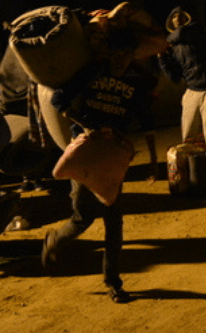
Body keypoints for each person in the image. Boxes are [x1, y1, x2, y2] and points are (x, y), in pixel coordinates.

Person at [40, 58, 155, 304]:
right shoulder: (91, 72)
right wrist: (86, 125)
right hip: (85, 152)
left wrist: (155, 160)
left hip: (111, 155)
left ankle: (113, 282)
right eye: (117, 52)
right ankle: (55, 240)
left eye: (126, 53)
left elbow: (146, 119)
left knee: (114, 219)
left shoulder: (135, 82)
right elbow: (58, 100)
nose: (121, 60)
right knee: (83, 217)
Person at [157, 6, 206, 157]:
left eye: (181, 15)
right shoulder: (174, 48)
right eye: (175, 16)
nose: (178, 18)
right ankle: (190, 167)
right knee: (188, 133)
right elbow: (175, 77)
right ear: (171, 22)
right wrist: (162, 58)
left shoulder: (196, 30)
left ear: (187, 19)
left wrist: (163, 42)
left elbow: (181, 32)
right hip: (192, 90)